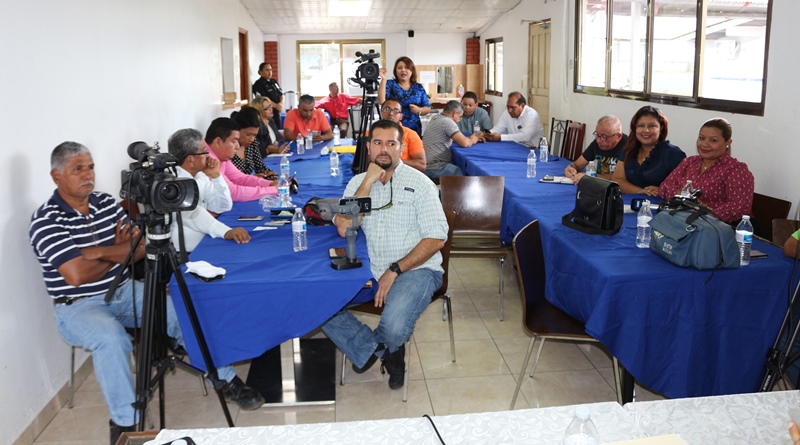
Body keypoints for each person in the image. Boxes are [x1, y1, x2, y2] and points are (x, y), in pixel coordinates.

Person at [28, 142, 264, 445]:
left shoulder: (104, 202)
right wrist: (118, 250)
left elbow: (140, 246)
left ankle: (227, 380)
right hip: (78, 306)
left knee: (183, 312)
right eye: (78, 169)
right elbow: (76, 275)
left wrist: (99, 251)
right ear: (57, 176)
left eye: (91, 167)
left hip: (123, 291)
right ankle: (126, 424)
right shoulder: (47, 219)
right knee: (112, 339)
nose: (88, 175)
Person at [321, 120, 448, 390]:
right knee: (318, 304)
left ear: (401, 148)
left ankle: (386, 343)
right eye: (378, 143)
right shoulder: (358, 183)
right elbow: (344, 227)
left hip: (416, 269)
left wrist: (395, 270)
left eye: (391, 143)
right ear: (368, 147)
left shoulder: (421, 184)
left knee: (393, 327)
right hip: (369, 270)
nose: (384, 149)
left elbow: (437, 237)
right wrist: (367, 182)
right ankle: (378, 349)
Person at [167, 129, 251, 252]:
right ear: (191, 159)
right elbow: (194, 213)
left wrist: (216, 177)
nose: (209, 156)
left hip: (202, 232)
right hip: (180, 247)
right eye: (205, 151)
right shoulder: (173, 183)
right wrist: (226, 232)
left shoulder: (200, 176)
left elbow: (222, 207)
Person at [659, 118, 753, 223]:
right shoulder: (689, 162)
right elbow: (664, 187)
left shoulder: (736, 169)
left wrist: (703, 211)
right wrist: (689, 198)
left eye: (713, 140)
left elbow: (740, 207)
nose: (705, 144)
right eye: (702, 138)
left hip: (719, 227)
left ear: (728, 142)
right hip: (683, 219)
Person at [612, 106, 686, 196]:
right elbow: (618, 180)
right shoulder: (628, 149)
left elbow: (683, 189)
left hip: (660, 203)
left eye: (652, 126)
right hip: (627, 202)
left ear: (661, 128)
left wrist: (660, 190)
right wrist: (641, 191)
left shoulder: (674, 154)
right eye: (641, 126)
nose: (646, 130)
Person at [205, 117, 278, 202]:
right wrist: (272, 190)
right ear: (218, 141)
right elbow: (232, 192)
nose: (237, 147)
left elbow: (240, 178)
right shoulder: (206, 159)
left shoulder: (221, 156)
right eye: (233, 141)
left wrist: (269, 184)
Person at [422, 100, 482, 180]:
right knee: (457, 171)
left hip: (427, 163)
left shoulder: (436, 118)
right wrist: (474, 138)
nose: (460, 120)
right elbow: (465, 143)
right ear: (455, 114)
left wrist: (469, 138)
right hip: (435, 166)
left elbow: (457, 138)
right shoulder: (447, 121)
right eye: (460, 116)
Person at [564, 115, 628, 184]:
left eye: (604, 137)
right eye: (597, 135)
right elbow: (577, 165)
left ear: (618, 136)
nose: (599, 141)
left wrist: (593, 177)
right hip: (599, 186)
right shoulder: (598, 142)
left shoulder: (629, 146)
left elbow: (623, 177)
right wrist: (571, 168)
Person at [378, 56, 431, 137]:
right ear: (395, 71)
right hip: (393, 126)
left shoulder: (418, 87)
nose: (403, 70)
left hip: (414, 127)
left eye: (406, 67)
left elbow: (427, 108)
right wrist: (383, 79)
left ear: (412, 70)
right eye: (400, 68)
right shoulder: (390, 84)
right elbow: (381, 101)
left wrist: (419, 110)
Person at [378, 97, 426, 172]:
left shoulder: (410, 134)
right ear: (381, 113)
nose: (391, 113)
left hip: (404, 174)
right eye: (387, 109)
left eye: (396, 111)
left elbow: (421, 165)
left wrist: (394, 162)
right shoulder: (370, 133)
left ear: (401, 116)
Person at [230, 107, 277, 179]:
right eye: (248, 135)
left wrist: (270, 175)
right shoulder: (228, 147)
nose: (252, 139)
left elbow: (261, 168)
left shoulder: (252, 144)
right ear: (237, 130)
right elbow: (228, 178)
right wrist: (252, 178)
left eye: (254, 135)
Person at [252, 62, 283, 129]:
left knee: (277, 130)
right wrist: (276, 106)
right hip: (266, 113)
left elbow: (281, 94)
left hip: (276, 113)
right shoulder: (258, 84)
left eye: (270, 70)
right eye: (267, 70)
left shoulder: (273, 82)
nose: (270, 72)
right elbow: (262, 99)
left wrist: (280, 104)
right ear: (261, 72)